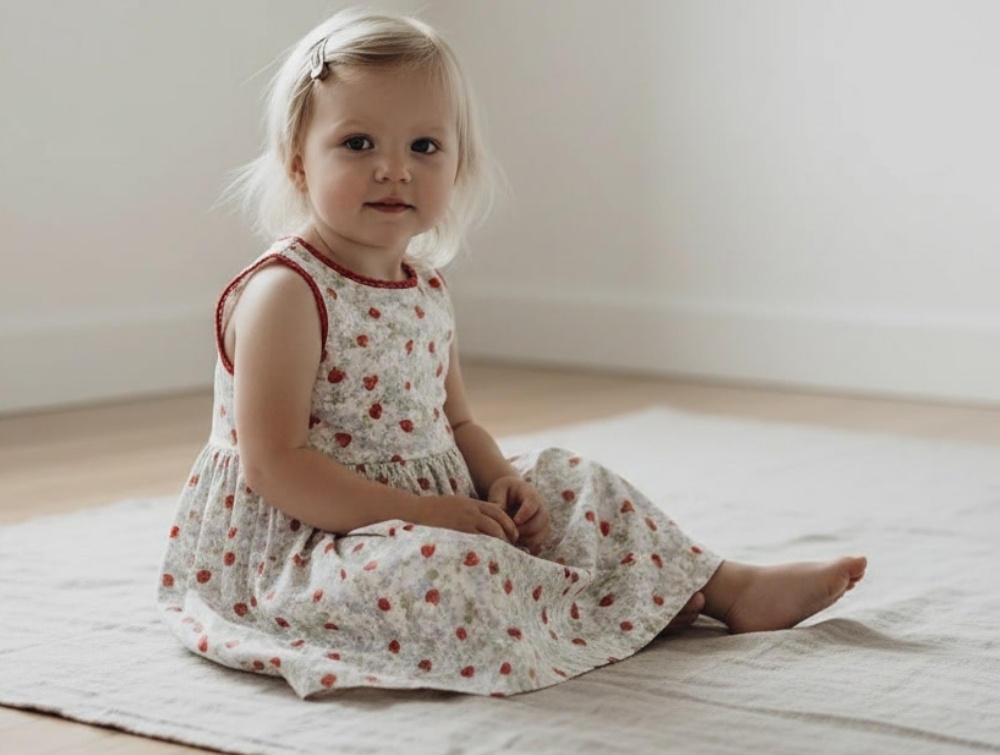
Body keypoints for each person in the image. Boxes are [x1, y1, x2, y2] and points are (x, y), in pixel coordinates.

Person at [157, 8, 866, 698]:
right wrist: (422, 516)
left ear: (458, 165)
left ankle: (728, 586)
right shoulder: (287, 292)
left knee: (577, 484)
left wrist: (499, 480)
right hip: (306, 542)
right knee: (447, 570)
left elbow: (458, 423)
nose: (393, 170)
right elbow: (275, 465)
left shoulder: (424, 287)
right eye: (359, 143)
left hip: (428, 509)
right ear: (297, 162)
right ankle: (602, 601)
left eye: (424, 147)